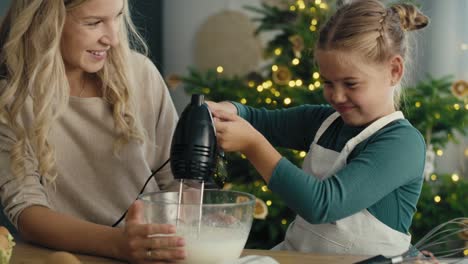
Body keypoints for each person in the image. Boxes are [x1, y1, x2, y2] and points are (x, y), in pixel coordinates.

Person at [208, 0, 429, 257]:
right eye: (327, 82)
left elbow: (323, 204)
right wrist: (230, 110)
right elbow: (261, 119)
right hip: (299, 257)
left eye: (350, 83)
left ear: (394, 70)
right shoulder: (325, 121)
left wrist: (253, 145)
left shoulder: (402, 144)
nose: (336, 96)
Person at [0, 0, 186, 263]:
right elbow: (27, 212)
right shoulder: (11, 102)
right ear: (46, 23)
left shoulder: (141, 74)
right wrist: (119, 244)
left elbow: (175, 179)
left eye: (118, 17)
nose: (113, 39)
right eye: (94, 23)